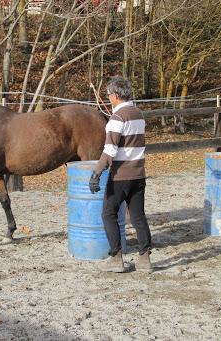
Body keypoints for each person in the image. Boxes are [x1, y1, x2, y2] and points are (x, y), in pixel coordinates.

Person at [89, 76, 153, 273]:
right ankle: (145, 260)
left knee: (108, 214)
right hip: (138, 174)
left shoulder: (117, 118)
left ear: (115, 95)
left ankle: (116, 258)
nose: (108, 98)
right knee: (138, 216)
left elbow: (110, 151)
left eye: (109, 95)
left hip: (120, 177)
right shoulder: (139, 114)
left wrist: (96, 173)